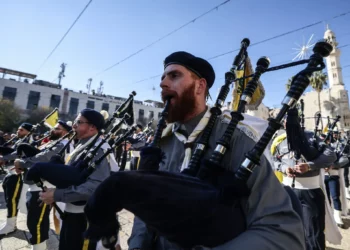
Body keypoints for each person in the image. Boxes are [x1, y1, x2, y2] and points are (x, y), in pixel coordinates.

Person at [116, 51, 305, 249]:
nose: (163, 83)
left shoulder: (237, 139)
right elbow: (146, 206)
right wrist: (138, 245)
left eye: (174, 76)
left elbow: (282, 231)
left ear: (200, 86)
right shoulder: (162, 143)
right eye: (162, 77)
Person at [38, 109, 119, 250]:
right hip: (73, 213)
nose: (74, 125)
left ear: (92, 127)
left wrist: (57, 195)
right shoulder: (83, 144)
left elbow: (95, 187)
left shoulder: (98, 149)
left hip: (84, 218)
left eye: (78, 122)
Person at [272, 108, 337, 250]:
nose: (286, 122)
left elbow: (330, 155)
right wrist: (284, 169)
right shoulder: (278, 140)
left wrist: (309, 165)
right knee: (291, 230)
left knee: (313, 233)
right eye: (284, 119)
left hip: (309, 190)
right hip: (287, 191)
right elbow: (274, 160)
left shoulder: (310, 136)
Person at [11, 121, 72, 250]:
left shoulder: (62, 145)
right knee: (37, 218)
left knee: (36, 220)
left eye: (57, 129)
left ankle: (39, 247)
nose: (52, 130)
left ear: (65, 132)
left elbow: (42, 158)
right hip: (40, 184)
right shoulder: (58, 143)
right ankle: (40, 246)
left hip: (44, 186)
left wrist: (21, 163)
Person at [0, 123, 33, 236]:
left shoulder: (29, 142)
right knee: (9, 198)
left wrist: (3, 157)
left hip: (17, 173)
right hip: (11, 171)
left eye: (22, 130)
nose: (18, 131)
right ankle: (10, 222)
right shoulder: (22, 139)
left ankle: (10, 225)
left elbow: (17, 155)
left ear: (28, 132)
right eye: (18, 129)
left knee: (13, 199)